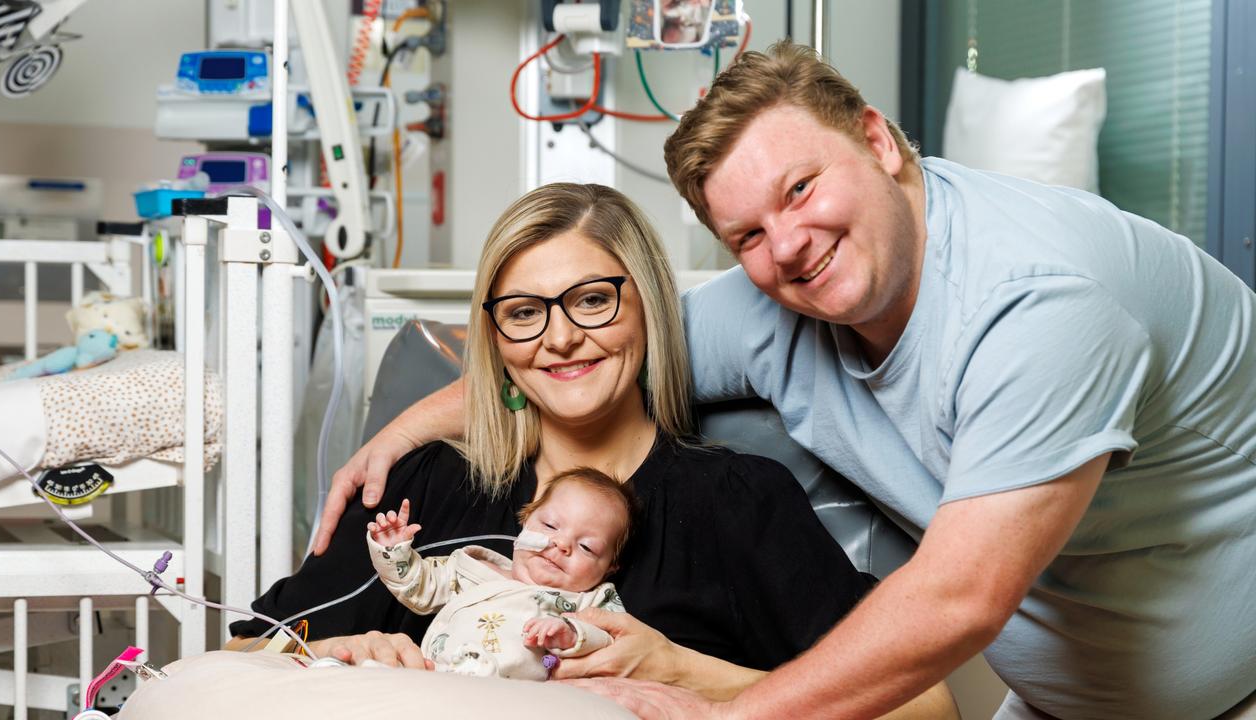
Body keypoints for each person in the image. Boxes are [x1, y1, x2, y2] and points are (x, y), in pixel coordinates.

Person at [321, 41, 1256, 720]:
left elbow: (961, 599)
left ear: (878, 141)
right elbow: (582, 350)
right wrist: (408, 430)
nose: (788, 245)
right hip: (1058, 698)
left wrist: (719, 708)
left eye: (802, 189)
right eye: (749, 235)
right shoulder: (780, 299)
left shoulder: (1044, 302)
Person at [230, 182, 958, 718]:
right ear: (496, 342)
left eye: (591, 300)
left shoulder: (734, 504)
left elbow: (925, 706)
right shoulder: (430, 485)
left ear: (646, 306)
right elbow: (238, 657)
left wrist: (686, 675)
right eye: (524, 313)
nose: (559, 337)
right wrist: (338, 653)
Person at [365, 469, 635, 680]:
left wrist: (574, 634)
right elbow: (419, 587)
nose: (561, 545)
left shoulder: (589, 602)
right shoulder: (471, 570)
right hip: (437, 675)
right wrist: (393, 549)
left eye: (586, 547)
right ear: (526, 520)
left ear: (610, 566)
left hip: (516, 698)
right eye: (550, 525)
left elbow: (617, 645)